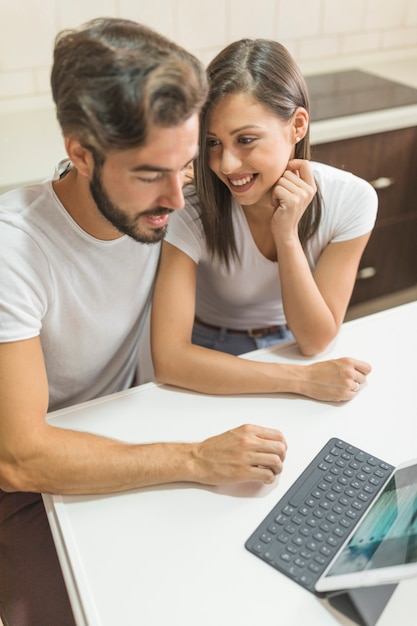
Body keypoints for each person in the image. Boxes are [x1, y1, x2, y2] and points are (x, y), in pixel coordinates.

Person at [0, 21, 288, 626]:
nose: (179, 201)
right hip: (25, 484)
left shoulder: (156, 206)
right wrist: (191, 459)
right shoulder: (13, 252)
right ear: (80, 153)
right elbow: (20, 457)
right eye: (150, 173)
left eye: (185, 165)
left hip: (126, 428)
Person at [151, 38, 376, 399]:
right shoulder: (190, 205)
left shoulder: (352, 199)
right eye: (212, 143)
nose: (226, 165)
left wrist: (286, 235)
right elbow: (171, 359)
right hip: (206, 355)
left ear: (297, 125)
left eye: (246, 140)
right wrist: (301, 381)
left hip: (291, 346)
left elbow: (315, 340)